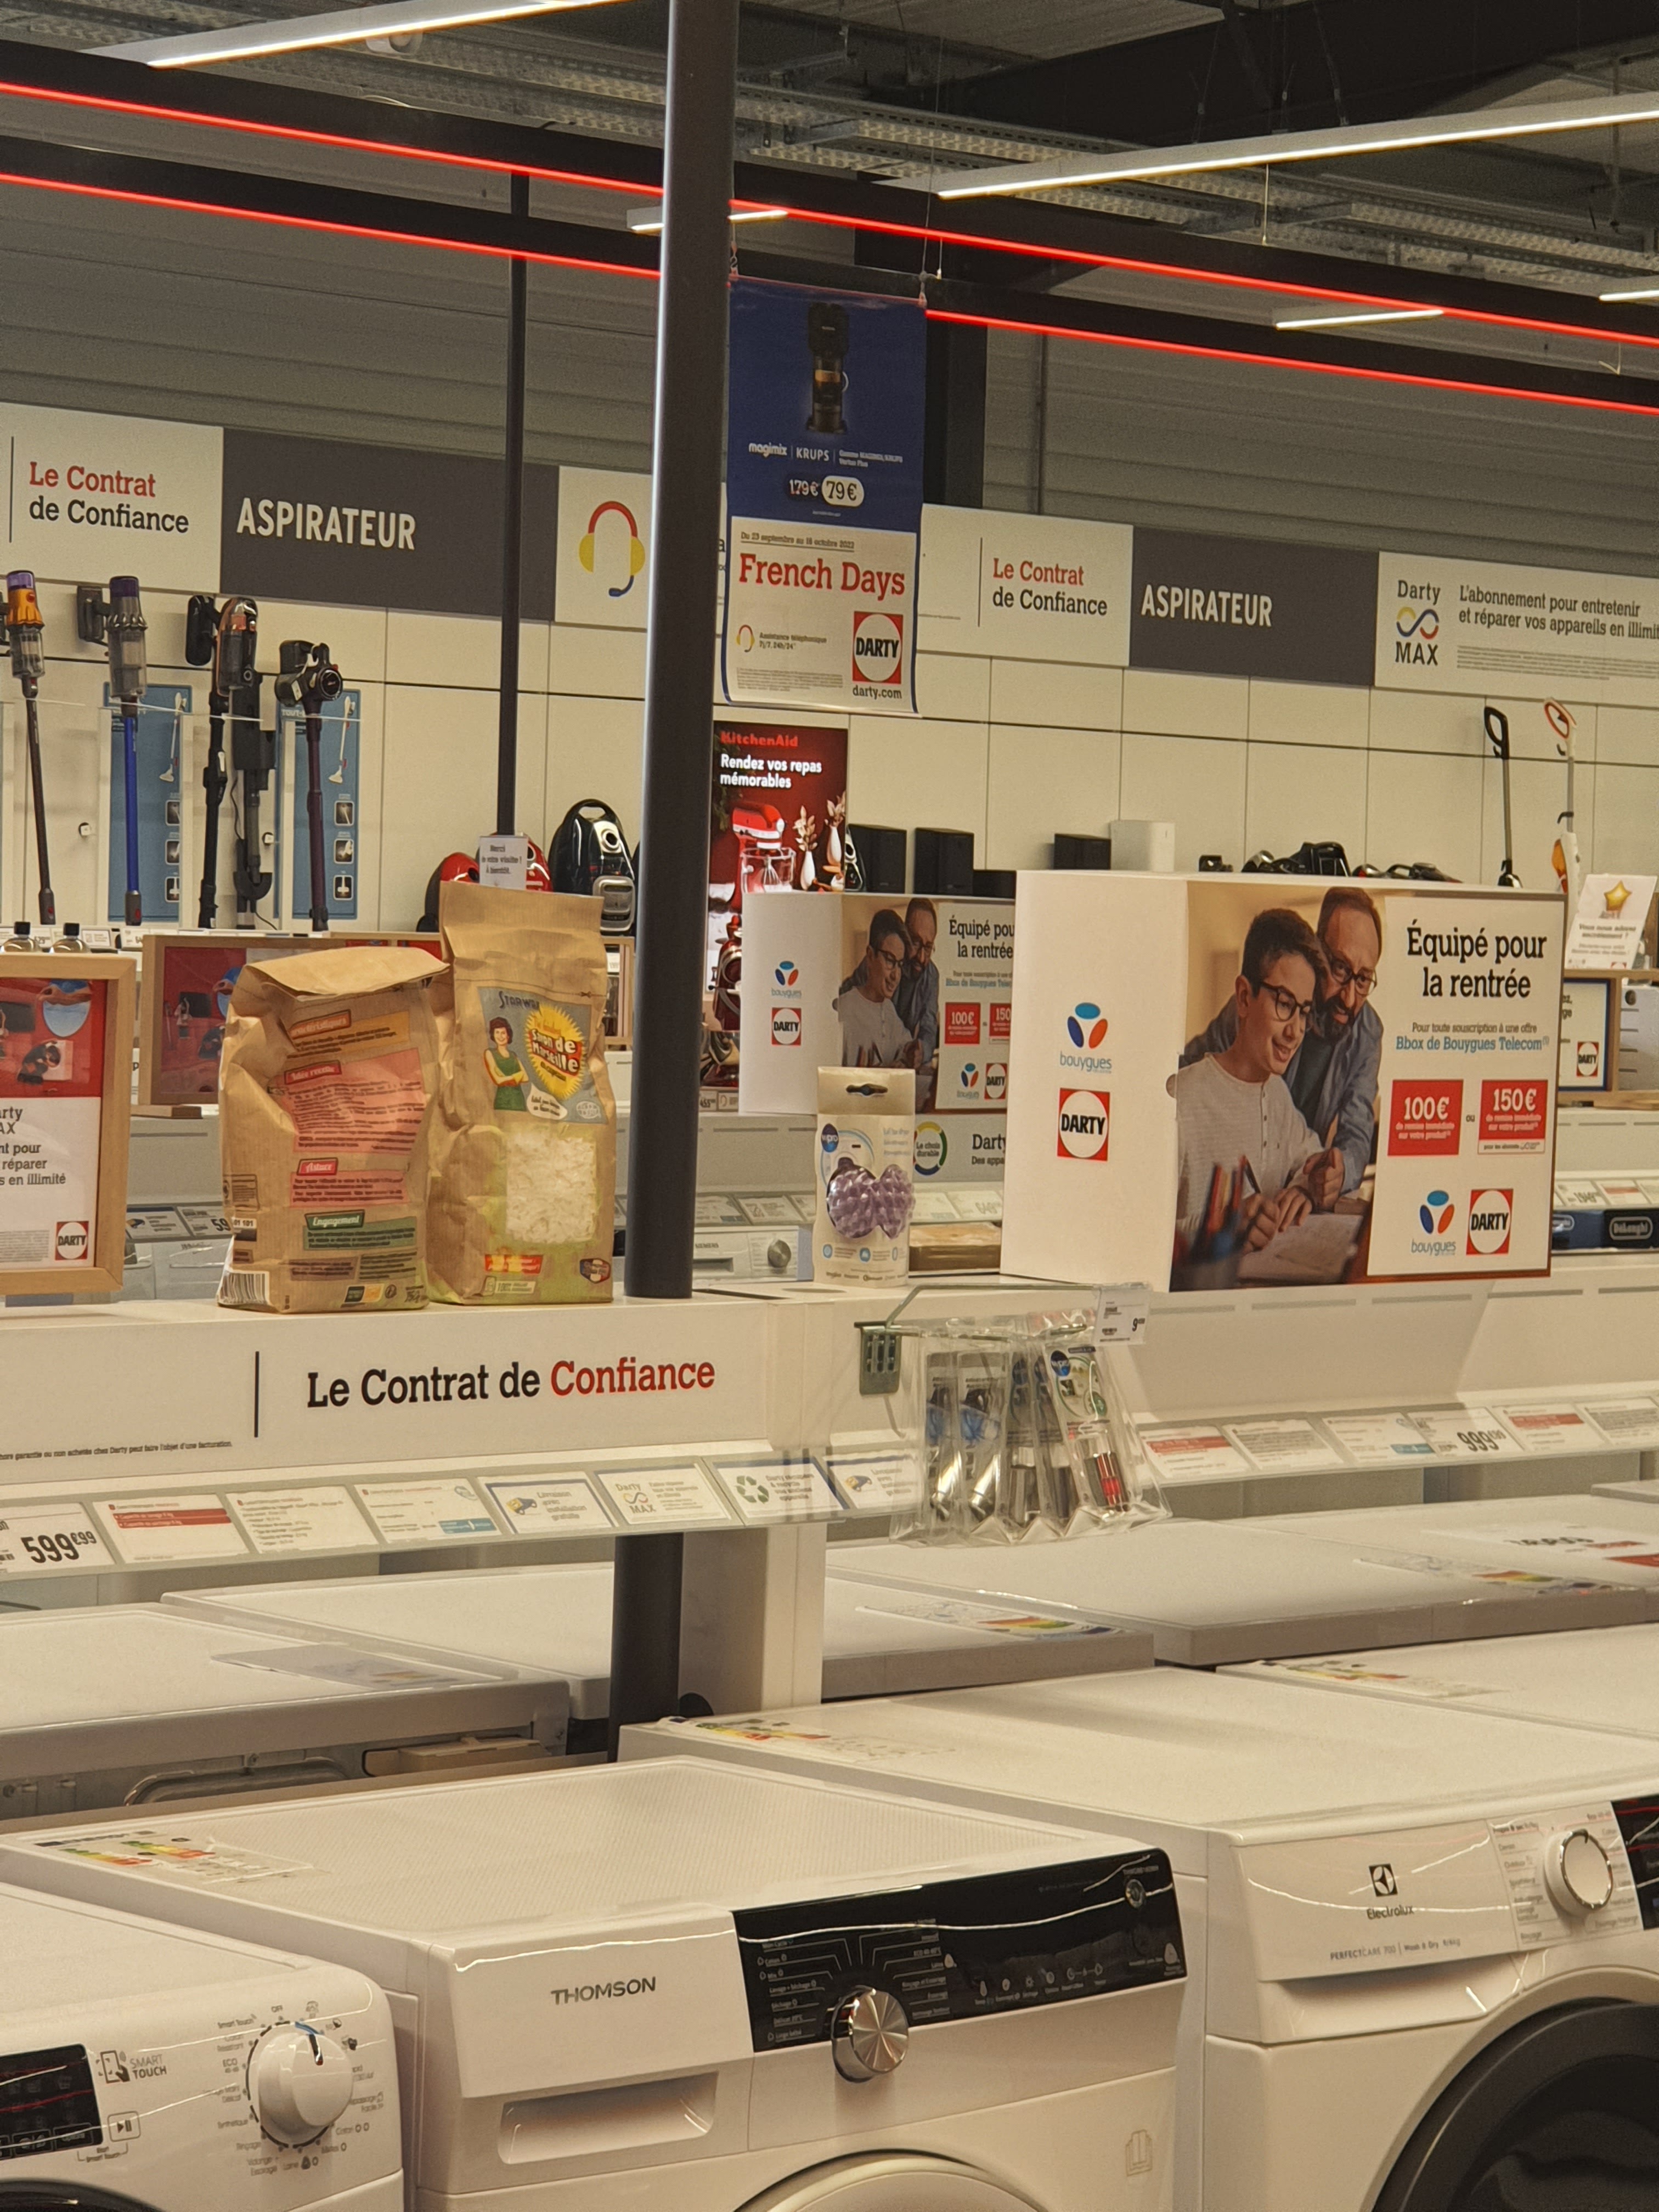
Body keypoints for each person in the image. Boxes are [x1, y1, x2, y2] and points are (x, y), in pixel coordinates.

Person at [1180, 884, 1383, 1195]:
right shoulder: (1256, 1003)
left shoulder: (1368, 1034)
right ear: (1320, 950)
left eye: (1364, 978)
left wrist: (1332, 1175)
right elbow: (1195, 1079)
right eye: (1341, 969)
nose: (1349, 998)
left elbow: (1354, 1131)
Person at [1172, 907, 1345, 1251]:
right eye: (1284, 1003)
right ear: (1243, 998)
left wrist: (1310, 1186)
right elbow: (1137, 1232)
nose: (1295, 1031)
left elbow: (1310, 1162)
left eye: (1304, 1012)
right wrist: (1222, 1227)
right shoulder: (1180, 1099)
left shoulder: (1277, 1095)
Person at [834, 909, 921, 1068]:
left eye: (900, 964)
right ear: (870, 956)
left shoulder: (889, 1010)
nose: (896, 975)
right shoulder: (844, 1010)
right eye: (890, 960)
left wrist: (911, 1055)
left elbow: (906, 1047)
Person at [484, 1015, 529, 1111]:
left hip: (518, 1100)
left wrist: (506, 1079)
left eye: (503, 1033)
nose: (500, 1037)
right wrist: (516, 1077)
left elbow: (525, 1078)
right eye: (497, 1033)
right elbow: (498, 1080)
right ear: (493, 1035)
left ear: (508, 1036)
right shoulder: (490, 1053)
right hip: (503, 1100)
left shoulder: (513, 1055)